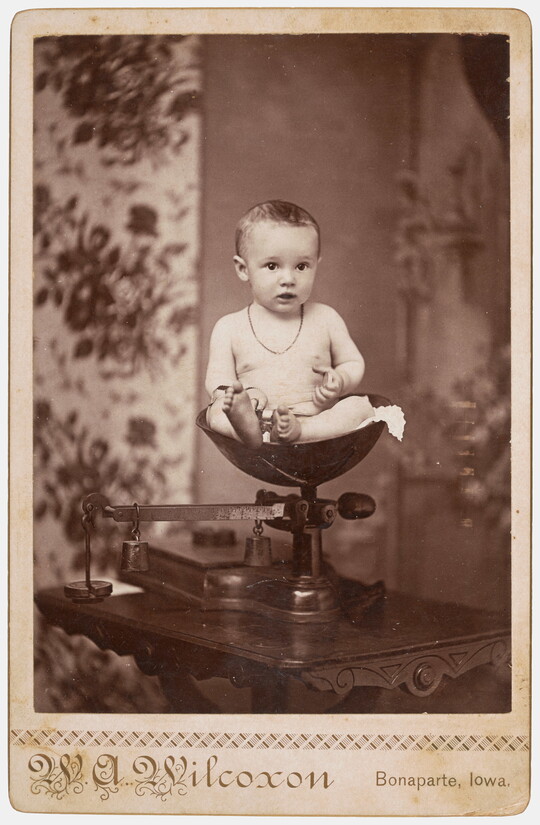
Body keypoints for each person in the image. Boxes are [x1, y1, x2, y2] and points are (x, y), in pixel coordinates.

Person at [205, 200, 375, 448]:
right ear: (243, 269)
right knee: (217, 411)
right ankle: (247, 430)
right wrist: (245, 395)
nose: (288, 279)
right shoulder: (229, 327)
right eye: (272, 266)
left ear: (316, 265)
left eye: (301, 266)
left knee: (360, 407)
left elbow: (353, 362)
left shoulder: (326, 318)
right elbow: (216, 380)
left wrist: (340, 379)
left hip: (317, 420)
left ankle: (301, 431)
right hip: (257, 417)